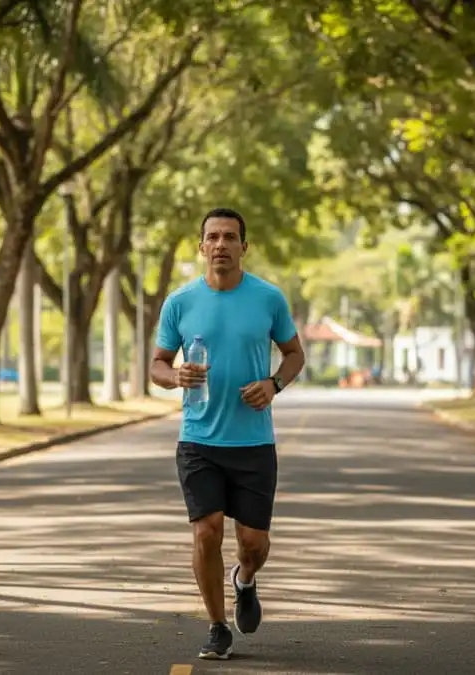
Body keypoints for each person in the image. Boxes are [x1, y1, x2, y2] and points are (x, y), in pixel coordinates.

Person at [150, 207, 306, 660]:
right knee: (206, 532)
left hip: (254, 443)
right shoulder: (180, 302)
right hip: (198, 440)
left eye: (230, 237)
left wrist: (273, 383)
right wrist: (174, 376)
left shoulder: (268, 298)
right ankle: (217, 626)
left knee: (253, 544)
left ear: (243, 246)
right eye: (213, 237)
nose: (221, 244)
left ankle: (246, 579)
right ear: (201, 247)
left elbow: (294, 354)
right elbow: (157, 364)